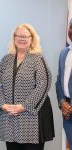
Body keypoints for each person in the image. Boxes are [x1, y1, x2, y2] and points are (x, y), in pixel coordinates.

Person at [0, 23, 54, 150]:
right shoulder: (6, 59)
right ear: (14, 38)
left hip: (31, 118)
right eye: (19, 36)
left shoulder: (38, 59)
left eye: (25, 36)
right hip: (9, 116)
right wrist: (3, 104)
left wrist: (24, 106)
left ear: (32, 39)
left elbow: (44, 85)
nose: (21, 39)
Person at [56, 19, 72, 150]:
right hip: (67, 111)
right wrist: (62, 101)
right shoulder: (64, 53)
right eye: (71, 27)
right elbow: (59, 81)